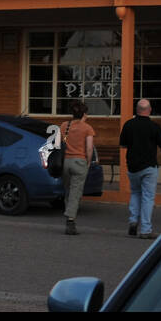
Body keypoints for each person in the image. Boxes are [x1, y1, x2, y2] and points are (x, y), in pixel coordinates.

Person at [118, 99, 161, 239]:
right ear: (149, 110)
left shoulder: (128, 125)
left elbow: (123, 145)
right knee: (148, 197)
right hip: (149, 167)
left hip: (132, 166)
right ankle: (146, 229)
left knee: (135, 193)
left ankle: (133, 221)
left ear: (137, 110)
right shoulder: (154, 127)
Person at [61, 101, 96, 235]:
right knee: (76, 192)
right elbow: (89, 148)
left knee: (68, 191)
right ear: (84, 113)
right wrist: (88, 162)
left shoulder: (64, 125)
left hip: (66, 161)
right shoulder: (87, 128)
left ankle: (69, 215)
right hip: (79, 161)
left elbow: (61, 143)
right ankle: (70, 220)